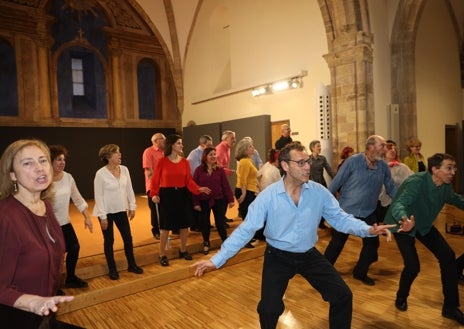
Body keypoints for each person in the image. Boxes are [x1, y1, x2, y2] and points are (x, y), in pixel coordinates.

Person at [192, 142, 399, 329]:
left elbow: (340, 219)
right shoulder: (268, 197)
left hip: (308, 255)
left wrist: (367, 229)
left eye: (307, 161)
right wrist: (216, 260)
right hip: (278, 256)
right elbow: (246, 230)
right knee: (269, 309)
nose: (307, 167)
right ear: (285, 166)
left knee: (343, 296)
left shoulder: (318, 192)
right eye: (300, 163)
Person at [0, 139, 80, 328]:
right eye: (27, 163)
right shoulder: (5, 217)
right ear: (12, 175)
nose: (39, 168)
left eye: (43, 161)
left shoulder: (46, 207)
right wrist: (31, 302)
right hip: (15, 317)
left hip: (44, 313)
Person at [384, 153, 464, 325]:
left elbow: (456, 199)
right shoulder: (417, 183)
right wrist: (405, 220)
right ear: (435, 170)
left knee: (448, 257)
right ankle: (401, 297)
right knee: (413, 266)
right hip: (403, 225)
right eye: (448, 168)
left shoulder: (445, 186)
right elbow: (399, 204)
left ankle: (450, 307)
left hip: (423, 225)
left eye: (454, 168)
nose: (453, 172)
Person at [324, 135, 396, 286]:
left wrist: (403, 204)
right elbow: (335, 184)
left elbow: (391, 188)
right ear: (370, 147)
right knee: (337, 243)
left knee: (372, 243)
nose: (385, 149)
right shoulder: (352, 162)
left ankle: (360, 272)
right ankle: (323, 273)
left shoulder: (383, 167)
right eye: (382, 146)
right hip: (345, 211)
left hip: (368, 212)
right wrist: (325, 209)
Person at [150, 134, 211, 266]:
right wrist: (154, 193)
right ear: (171, 145)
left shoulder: (184, 162)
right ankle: (162, 254)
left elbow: (188, 180)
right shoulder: (162, 161)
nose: (182, 146)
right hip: (167, 195)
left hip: (182, 194)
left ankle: (183, 250)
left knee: (184, 225)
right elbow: (154, 180)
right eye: (179, 143)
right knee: (165, 227)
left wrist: (198, 189)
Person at [93, 144, 143, 280]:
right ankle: (112, 269)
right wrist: (102, 217)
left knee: (128, 238)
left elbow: (129, 189)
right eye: (117, 153)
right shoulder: (100, 174)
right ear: (108, 156)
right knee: (109, 240)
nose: (120, 155)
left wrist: (132, 206)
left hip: (121, 210)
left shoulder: (124, 170)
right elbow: (98, 196)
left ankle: (132, 264)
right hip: (106, 212)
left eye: (119, 152)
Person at [49, 144, 93, 289]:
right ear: (50, 162)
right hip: (48, 225)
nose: (62, 162)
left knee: (74, 248)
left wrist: (87, 217)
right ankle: (53, 286)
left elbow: (78, 198)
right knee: (56, 255)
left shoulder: (68, 177)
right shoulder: (44, 180)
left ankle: (71, 277)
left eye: (63, 159)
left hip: (65, 222)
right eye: (58, 160)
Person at [193, 147, 235, 254]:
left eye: (214, 154)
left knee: (220, 223)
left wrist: (231, 200)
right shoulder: (199, 170)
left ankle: (225, 242)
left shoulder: (220, 170)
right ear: (205, 157)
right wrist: (196, 202)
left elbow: (225, 186)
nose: (213, 156)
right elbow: (195, 187)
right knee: (205, 223)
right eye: (210, 154)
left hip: (219, 200)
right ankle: (206, 242)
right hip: (203, 200)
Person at [375, 141, 412, 221]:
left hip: (397, 201)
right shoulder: (378, 166)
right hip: (379, 202)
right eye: (389, 149)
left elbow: (411, 180)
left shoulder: (402, 167)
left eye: (394, 149)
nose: (393, 150)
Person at [235, 137, 259, 246]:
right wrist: (244, 193)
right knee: (246, 217)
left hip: (250, 191)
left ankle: (248, 238)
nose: (253, 148)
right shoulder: (244, 161)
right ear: (245, 149)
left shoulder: (249, 160)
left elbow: (252, 178)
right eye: (250, 146)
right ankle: (245, 240)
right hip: (244, 191)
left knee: (249, 216)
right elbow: (243, 179)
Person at [142, 133, 166, 240]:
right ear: (156, 141)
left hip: (166, 185)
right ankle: (156, 230)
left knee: (165, 209)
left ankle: (166, 228)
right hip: (154, 186)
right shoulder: (148, 151)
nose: (165, 141)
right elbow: (149, 171)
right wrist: (154, 188)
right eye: (163, 139)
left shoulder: (166, 152)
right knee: (155, 209)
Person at [308, 140, 335, 229]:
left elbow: (329, 170)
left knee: (322, 203)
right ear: (312, 148)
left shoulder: (322, 158)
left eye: (320, 146)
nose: (320, 148)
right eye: (318, 146)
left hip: (321, 183)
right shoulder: (307, 159)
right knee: (312, 204)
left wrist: (337, 179)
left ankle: (321, 222)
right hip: (310, 184)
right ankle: (312, 223)